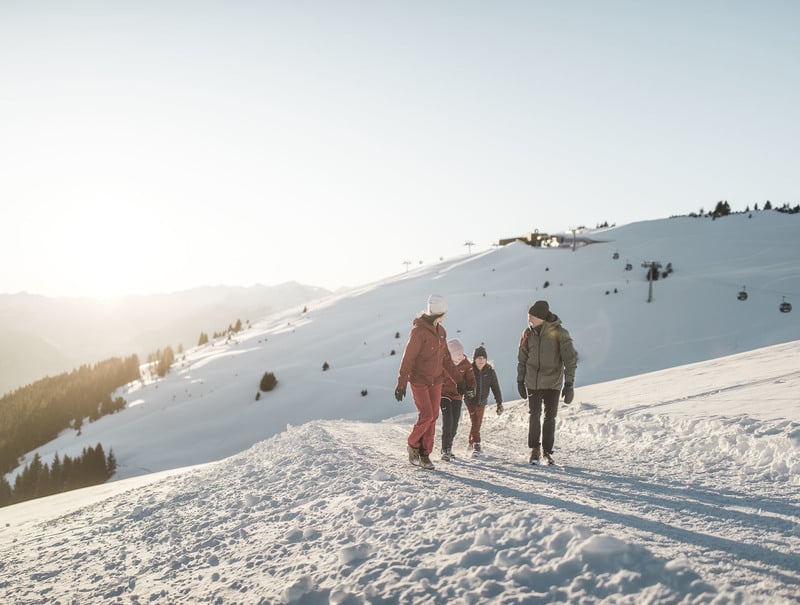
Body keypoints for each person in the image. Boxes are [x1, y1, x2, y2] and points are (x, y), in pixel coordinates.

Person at [395, 294, 464, 470]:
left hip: (436, 381)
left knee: (433, 415)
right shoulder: (418, 331)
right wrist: (401, 383)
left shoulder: (441, 332)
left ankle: (425, 453)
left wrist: (459, 380)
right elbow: (408, 358)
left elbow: (446, 360)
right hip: (419, 380)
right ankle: (412, 444)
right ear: (439, 313)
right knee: (426, 415)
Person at [517, 300, 577, 466]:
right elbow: (522, 359)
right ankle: (534, 449)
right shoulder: (527, 334)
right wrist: (520, 380)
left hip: (553, 382)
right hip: (533, 382)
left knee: (550, 417)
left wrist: (569, 384)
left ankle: (547, 451)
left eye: (532, 316)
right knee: (534, 415)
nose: (529, 318)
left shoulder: (560, 333)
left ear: (541, 317)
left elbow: (570, 359)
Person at [439, 339, 475, 461]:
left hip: (457, 396)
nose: (460, 356)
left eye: (461, 353)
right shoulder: (444, 363)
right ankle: (445, 449)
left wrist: (470, 389)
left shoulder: (466, 364)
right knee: (448, 419)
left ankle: (449, 445)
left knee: (454, 423)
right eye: (457, 353)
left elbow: (470, 379)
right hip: (443, 394)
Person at [465, 345, 504, 456]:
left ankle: (471, 442)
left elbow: (495, 388)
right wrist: (467, 391)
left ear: (486, 359)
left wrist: (499, 403)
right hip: (470, 401)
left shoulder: (490, 371)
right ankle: (477, 445)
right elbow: (463, 384)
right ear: (474, 359)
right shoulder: (470, 370)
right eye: (478, 358)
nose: (481, 360)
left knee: (477, 424)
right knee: (475, 422)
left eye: (483, 358)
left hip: (482, 402)